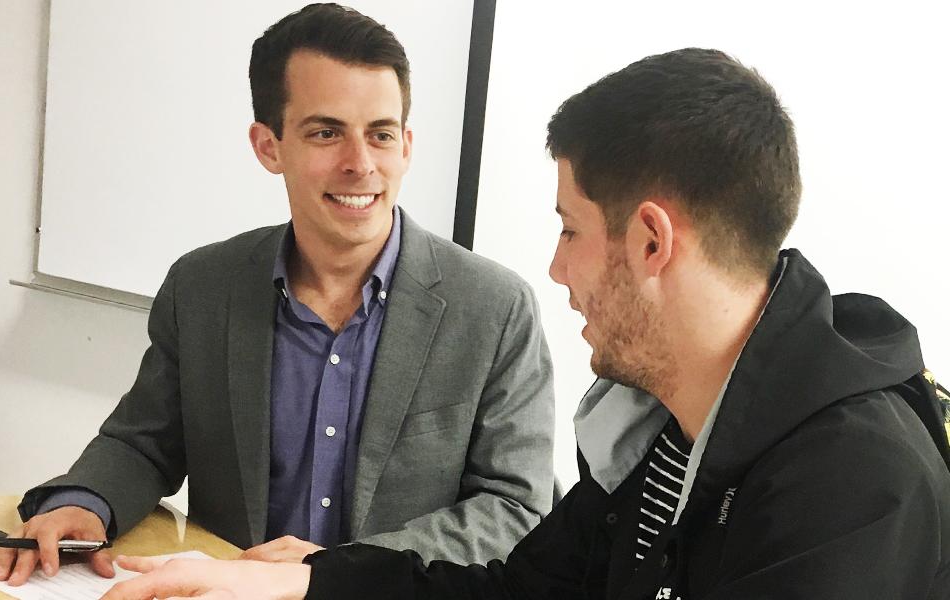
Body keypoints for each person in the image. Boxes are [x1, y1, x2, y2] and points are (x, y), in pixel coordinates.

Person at [101, 47, 950, 600]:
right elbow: (521, 592)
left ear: (651, 241)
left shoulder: (855, 486)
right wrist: (304, 584)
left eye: (570, 230)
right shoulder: (671, 437)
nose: (555, 269)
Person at [0, 3, 556, 587]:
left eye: (380, 134)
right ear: (269, 146)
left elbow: (516, 508)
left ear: (406, 146)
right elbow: (145, 442)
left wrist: (332, 574)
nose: (360, 164)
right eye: (326, 132)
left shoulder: (494, 308)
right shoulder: (203, 287)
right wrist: (85, 503)